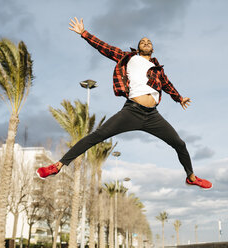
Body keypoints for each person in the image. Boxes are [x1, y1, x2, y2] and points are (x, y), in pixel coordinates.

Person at [36, 17, 212, 189]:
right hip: (132, 111)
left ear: (152, 48)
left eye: (148, 41)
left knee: (179, 144)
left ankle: (191, 177)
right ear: (138, 47)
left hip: (153, 116)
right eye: (142, 41)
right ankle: (58, 166)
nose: (146, 42)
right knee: (97, 136)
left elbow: (167, 85)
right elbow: (104, 48)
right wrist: (84, 33)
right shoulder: (128, 58)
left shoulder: (158, 69)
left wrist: (179, 98)